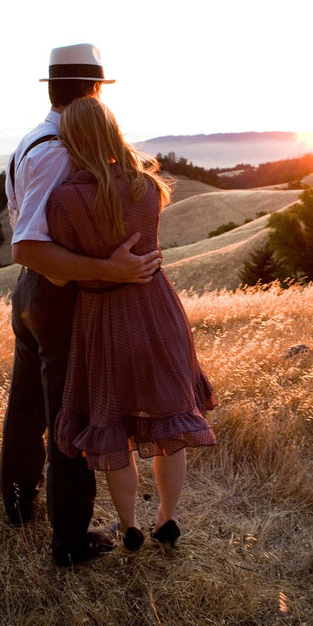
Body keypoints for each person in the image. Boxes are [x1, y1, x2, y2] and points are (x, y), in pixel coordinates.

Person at [1, 44, 161, 567]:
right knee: (72, 414)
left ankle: (20, 507)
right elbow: (26, 243)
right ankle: (70, 540)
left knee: (26, 405)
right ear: (94, 92)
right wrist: (110, 270)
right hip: (58, 296)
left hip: (29, 294)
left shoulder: (31, 140)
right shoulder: (59, 151)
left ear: (52, 89)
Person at [46, 96, 218, 551]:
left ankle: (128, 527)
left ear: (71, 141)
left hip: (104, 318)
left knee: (111, 424)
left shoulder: (65, 199)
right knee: (168, 421)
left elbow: (62, 266)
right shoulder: (148, 186)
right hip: (158, 310)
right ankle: (168, 517)